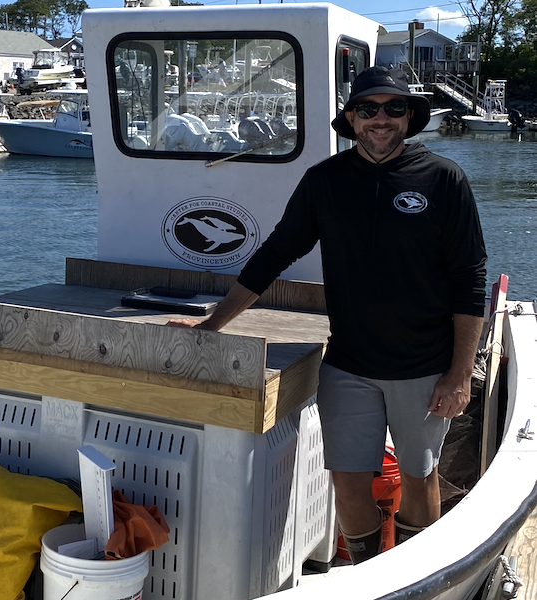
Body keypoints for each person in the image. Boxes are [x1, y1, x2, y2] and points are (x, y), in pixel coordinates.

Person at [168, 66, 487, 564]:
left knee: (420, 476)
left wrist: (459, 373)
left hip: (425, 368)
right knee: (348, 479)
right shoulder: (324, 181)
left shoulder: (444, 179)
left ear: (410, 117)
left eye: (393, 108)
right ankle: (369, 575)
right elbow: (275, 254)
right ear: (350, 118)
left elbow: (470, 280)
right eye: (368, 109)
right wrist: (213, 324)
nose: (381, 119)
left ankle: (416, 578)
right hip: (348, 364)